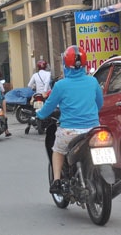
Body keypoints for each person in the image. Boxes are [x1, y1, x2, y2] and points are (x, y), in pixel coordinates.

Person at [35, 45, 103, 194]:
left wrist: (39, 115)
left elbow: (48, 107)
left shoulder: (60, 85)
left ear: (66, 65)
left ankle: (57, 181)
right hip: (94, 131)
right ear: (84, 64)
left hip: (70, 132)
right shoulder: (93, 82)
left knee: (58, 150)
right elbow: (100, 104)